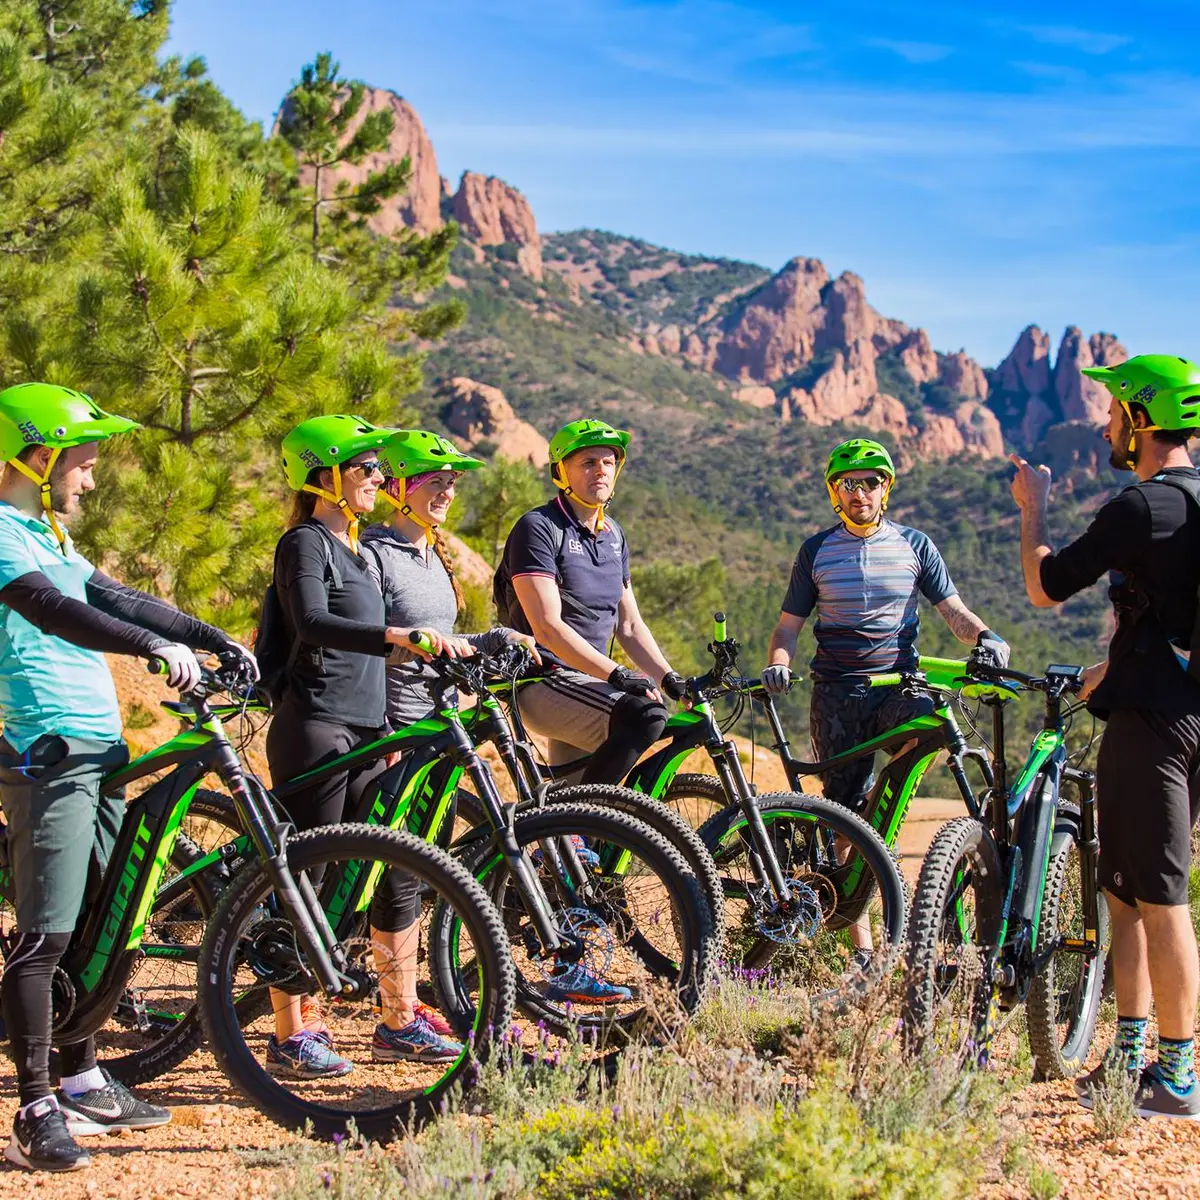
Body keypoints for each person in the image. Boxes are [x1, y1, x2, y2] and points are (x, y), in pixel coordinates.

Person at [0, 382, 257, 1172]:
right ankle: (37, 1104)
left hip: (101, 752)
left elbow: (120, 599)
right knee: (45, 933)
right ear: (40, 458)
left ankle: (80, 1077)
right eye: (83, 462)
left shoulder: (49, 534)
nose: (91, 477)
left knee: (102, 920)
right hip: (47, 754)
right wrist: (147, 653)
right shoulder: (4, 537)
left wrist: (212, 637)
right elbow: (55, 612)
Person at [365, 429, 630, 1005]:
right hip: (395, 725)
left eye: (452, 482)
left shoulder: (433, 554)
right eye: (435, 481)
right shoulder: (374, 553)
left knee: (419, 864)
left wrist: (494, 637)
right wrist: (381, 721)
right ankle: (393, 1003)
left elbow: (443, 636)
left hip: (440, 724)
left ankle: (405, 998)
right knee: (397, 869)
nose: (447, 491)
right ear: (400, 487)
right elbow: (370, 639)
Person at [1011, 354, 1200, 1120]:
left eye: (1115, 410)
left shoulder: (1142, 507)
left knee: (1158, 898)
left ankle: (1178, 1077)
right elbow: (1168, 622)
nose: (1105, 424)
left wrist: (1036, 507)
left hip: (1151, 730)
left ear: (1141, 419)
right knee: (1122, 893)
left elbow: (1045, 586)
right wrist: (1105, 670)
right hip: (1182, 716)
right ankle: (1129, 1061)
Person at [264, 415, 473, 1077]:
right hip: (316, 724)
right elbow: (312, 624)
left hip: (366, 728)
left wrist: (386, 730)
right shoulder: (305, 543)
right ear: (326, 474)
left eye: (380, 469)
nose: (377, 479)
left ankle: (397, 1018)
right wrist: (395, 636)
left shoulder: (354, 549)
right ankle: (294, 1028)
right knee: (311, 873)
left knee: (391, 867)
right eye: (366, 469)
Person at [761, 437, 1009, 959]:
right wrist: (779, 665)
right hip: (837, 694)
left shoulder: (916, 546)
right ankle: (863, 947)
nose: (860, 492)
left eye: (870, 482)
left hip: (897, 685)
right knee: (843, 816)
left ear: (885, 489)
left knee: (931, 725)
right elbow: (787, 630)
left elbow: (954, 613)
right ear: (835, 492)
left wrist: (987, 637)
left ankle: (885, 820)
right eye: (848, 483)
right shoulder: (816, 551)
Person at [494, 419, 685, 786]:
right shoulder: (539, 528)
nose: (601, 470)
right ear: (560, 472)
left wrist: (670, 679)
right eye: (587, 462)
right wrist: (617, 674)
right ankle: (580, 819)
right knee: (644, 717)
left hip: (589, 685)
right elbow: (547, 627)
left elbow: (629, 626)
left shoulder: (613, 534)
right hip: (543, 679)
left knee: (574, 816)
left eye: (608, 462)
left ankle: (567, 833)